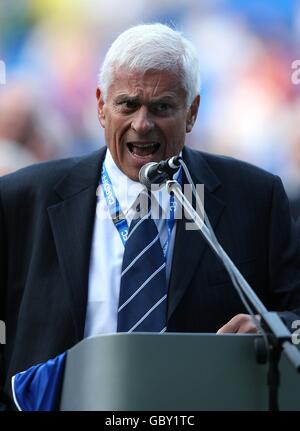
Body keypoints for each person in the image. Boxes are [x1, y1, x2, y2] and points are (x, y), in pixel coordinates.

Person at [1, 23, 300, 410]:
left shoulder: (255, 198)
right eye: (127, 104)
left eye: (162, 108)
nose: (142, 124)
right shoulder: (22, 201)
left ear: (191, 112)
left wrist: (272, 329)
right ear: (100, 105)